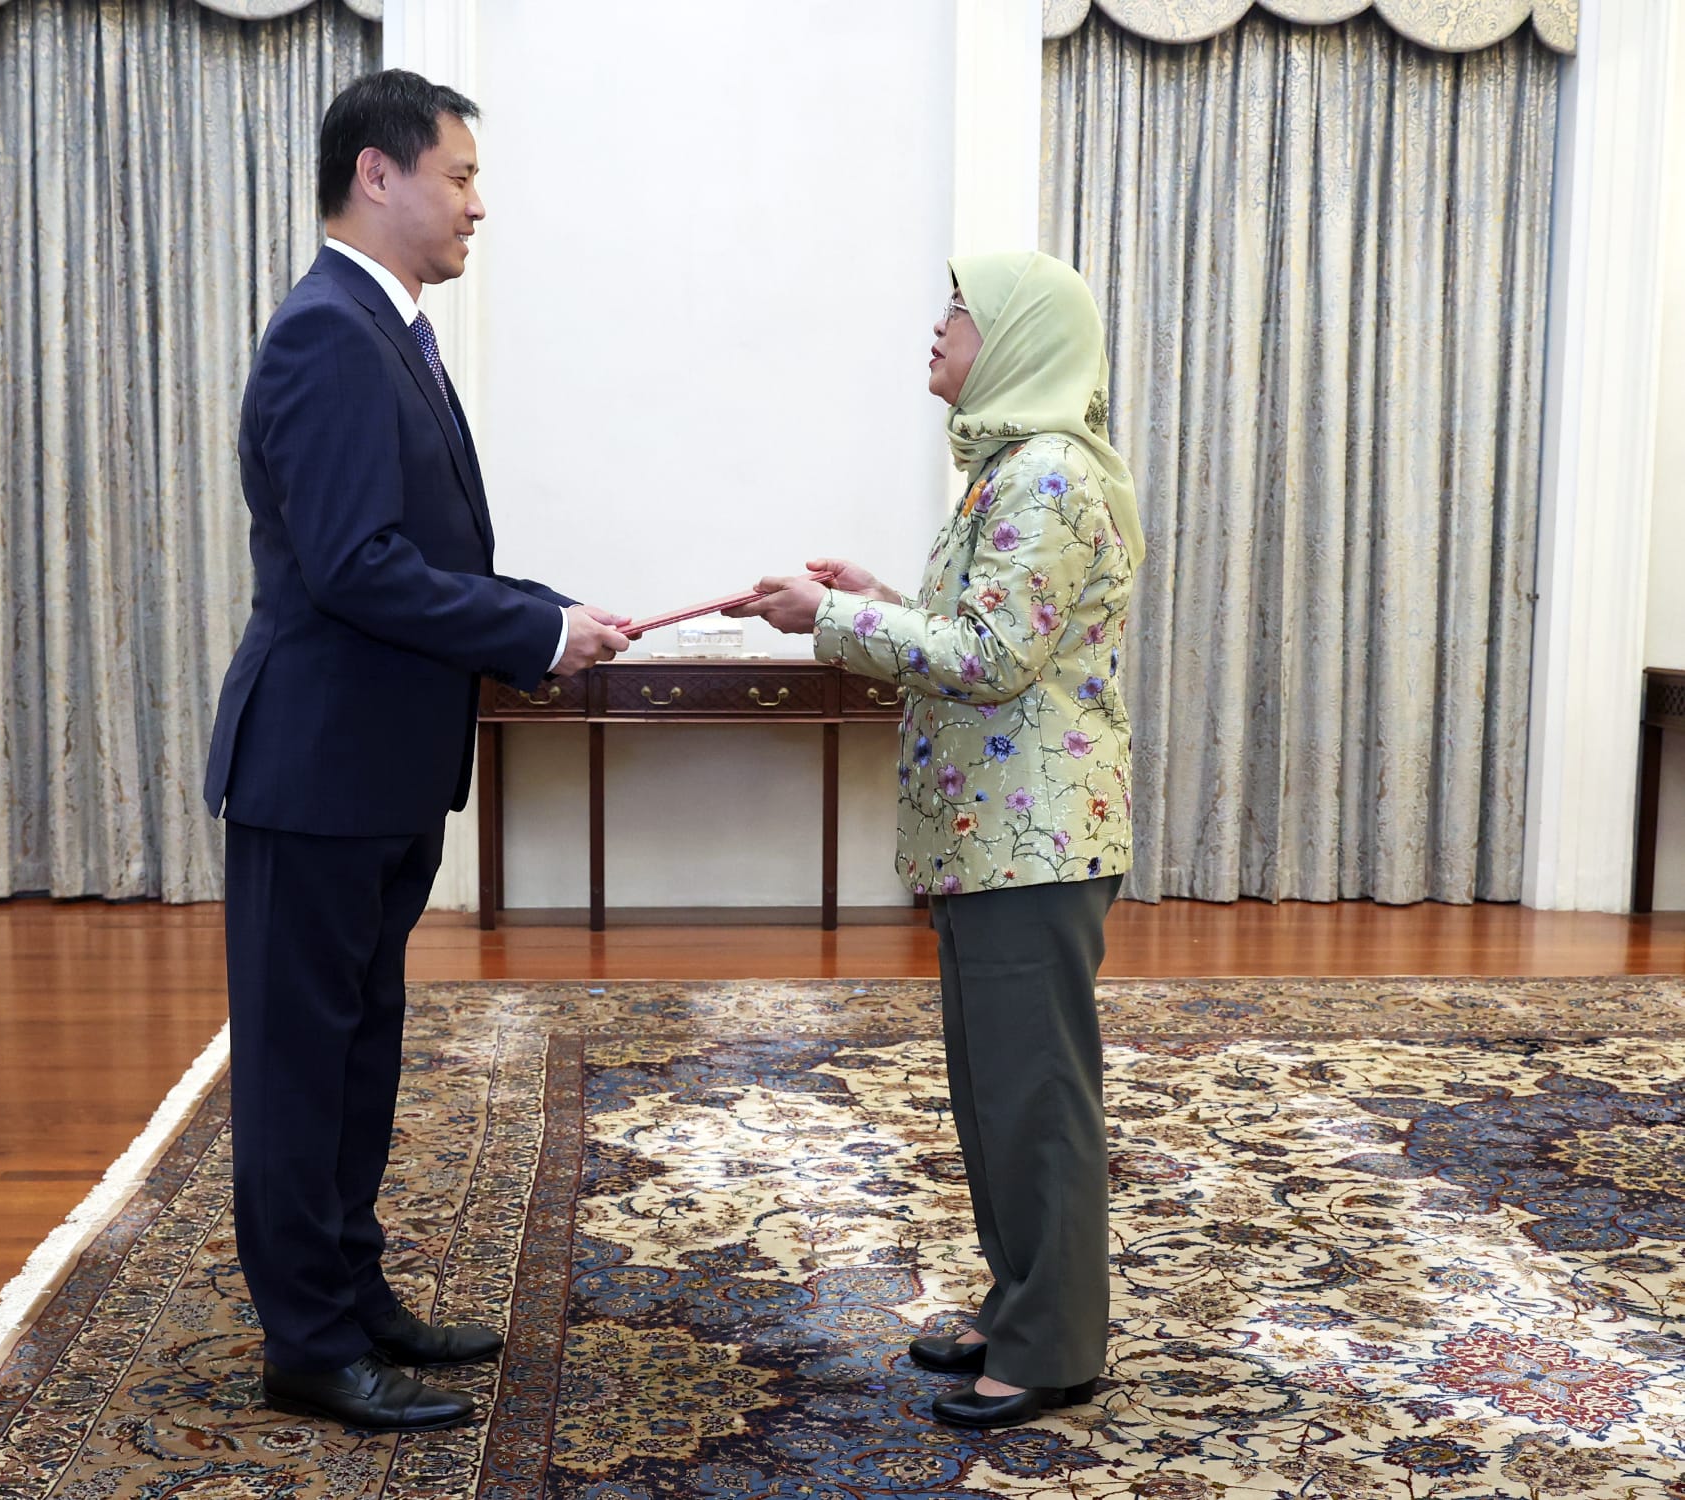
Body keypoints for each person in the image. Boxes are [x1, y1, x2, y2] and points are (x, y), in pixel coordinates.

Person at [203, 69, 630, 1433]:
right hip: (315, 768)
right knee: (297, 1064)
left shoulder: (392, 331)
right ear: (375, 176)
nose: (476, 204)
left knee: (359, 1049)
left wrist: (550, 618)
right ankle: (310, 1347)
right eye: (457, 175)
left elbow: (424, 558)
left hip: (377, 766)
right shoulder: (328, 334)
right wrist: (533, 628)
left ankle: (355, 1294)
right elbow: (355, 568)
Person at [727, 250, 1142, 1430]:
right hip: (992, 839)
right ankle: (1021, 1304)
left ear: (1015, 338)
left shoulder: (1050, 475)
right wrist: (872, 593)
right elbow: (979, 628)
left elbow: (993, 659)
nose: (938, 328)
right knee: (992, 1089)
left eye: (958, 311)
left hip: (1035, 842)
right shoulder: (1010, 470)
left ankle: (1055, 1347)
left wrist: (835, 618)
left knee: (1036, 1095)